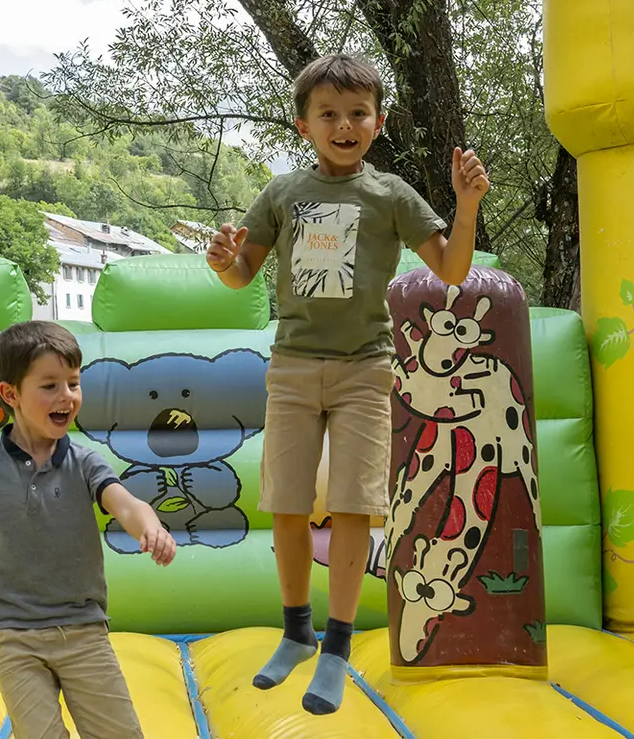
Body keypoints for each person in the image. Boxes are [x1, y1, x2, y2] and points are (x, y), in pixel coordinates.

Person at [205, 52, 490, 715]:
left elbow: (450, 271)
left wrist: (467, 204)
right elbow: (241, 271)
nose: (343, 124)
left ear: (378, 121)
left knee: (357, 503)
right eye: (328, 113)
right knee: (286, 502)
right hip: (295, 366)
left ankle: (336, 644)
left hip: (365, 367)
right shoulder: (282, 194)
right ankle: (297, 630)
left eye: (357, 112)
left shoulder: (390, 195)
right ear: (303, 124)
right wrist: (221, 261)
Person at [0, 320, 177, 739]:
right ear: (10, 394)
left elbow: (124, 502)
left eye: (73, 383)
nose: (66, 396)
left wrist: (151, 526)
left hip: (82, 629)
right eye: (49, 386)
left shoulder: (84, 462)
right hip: (12, 634)